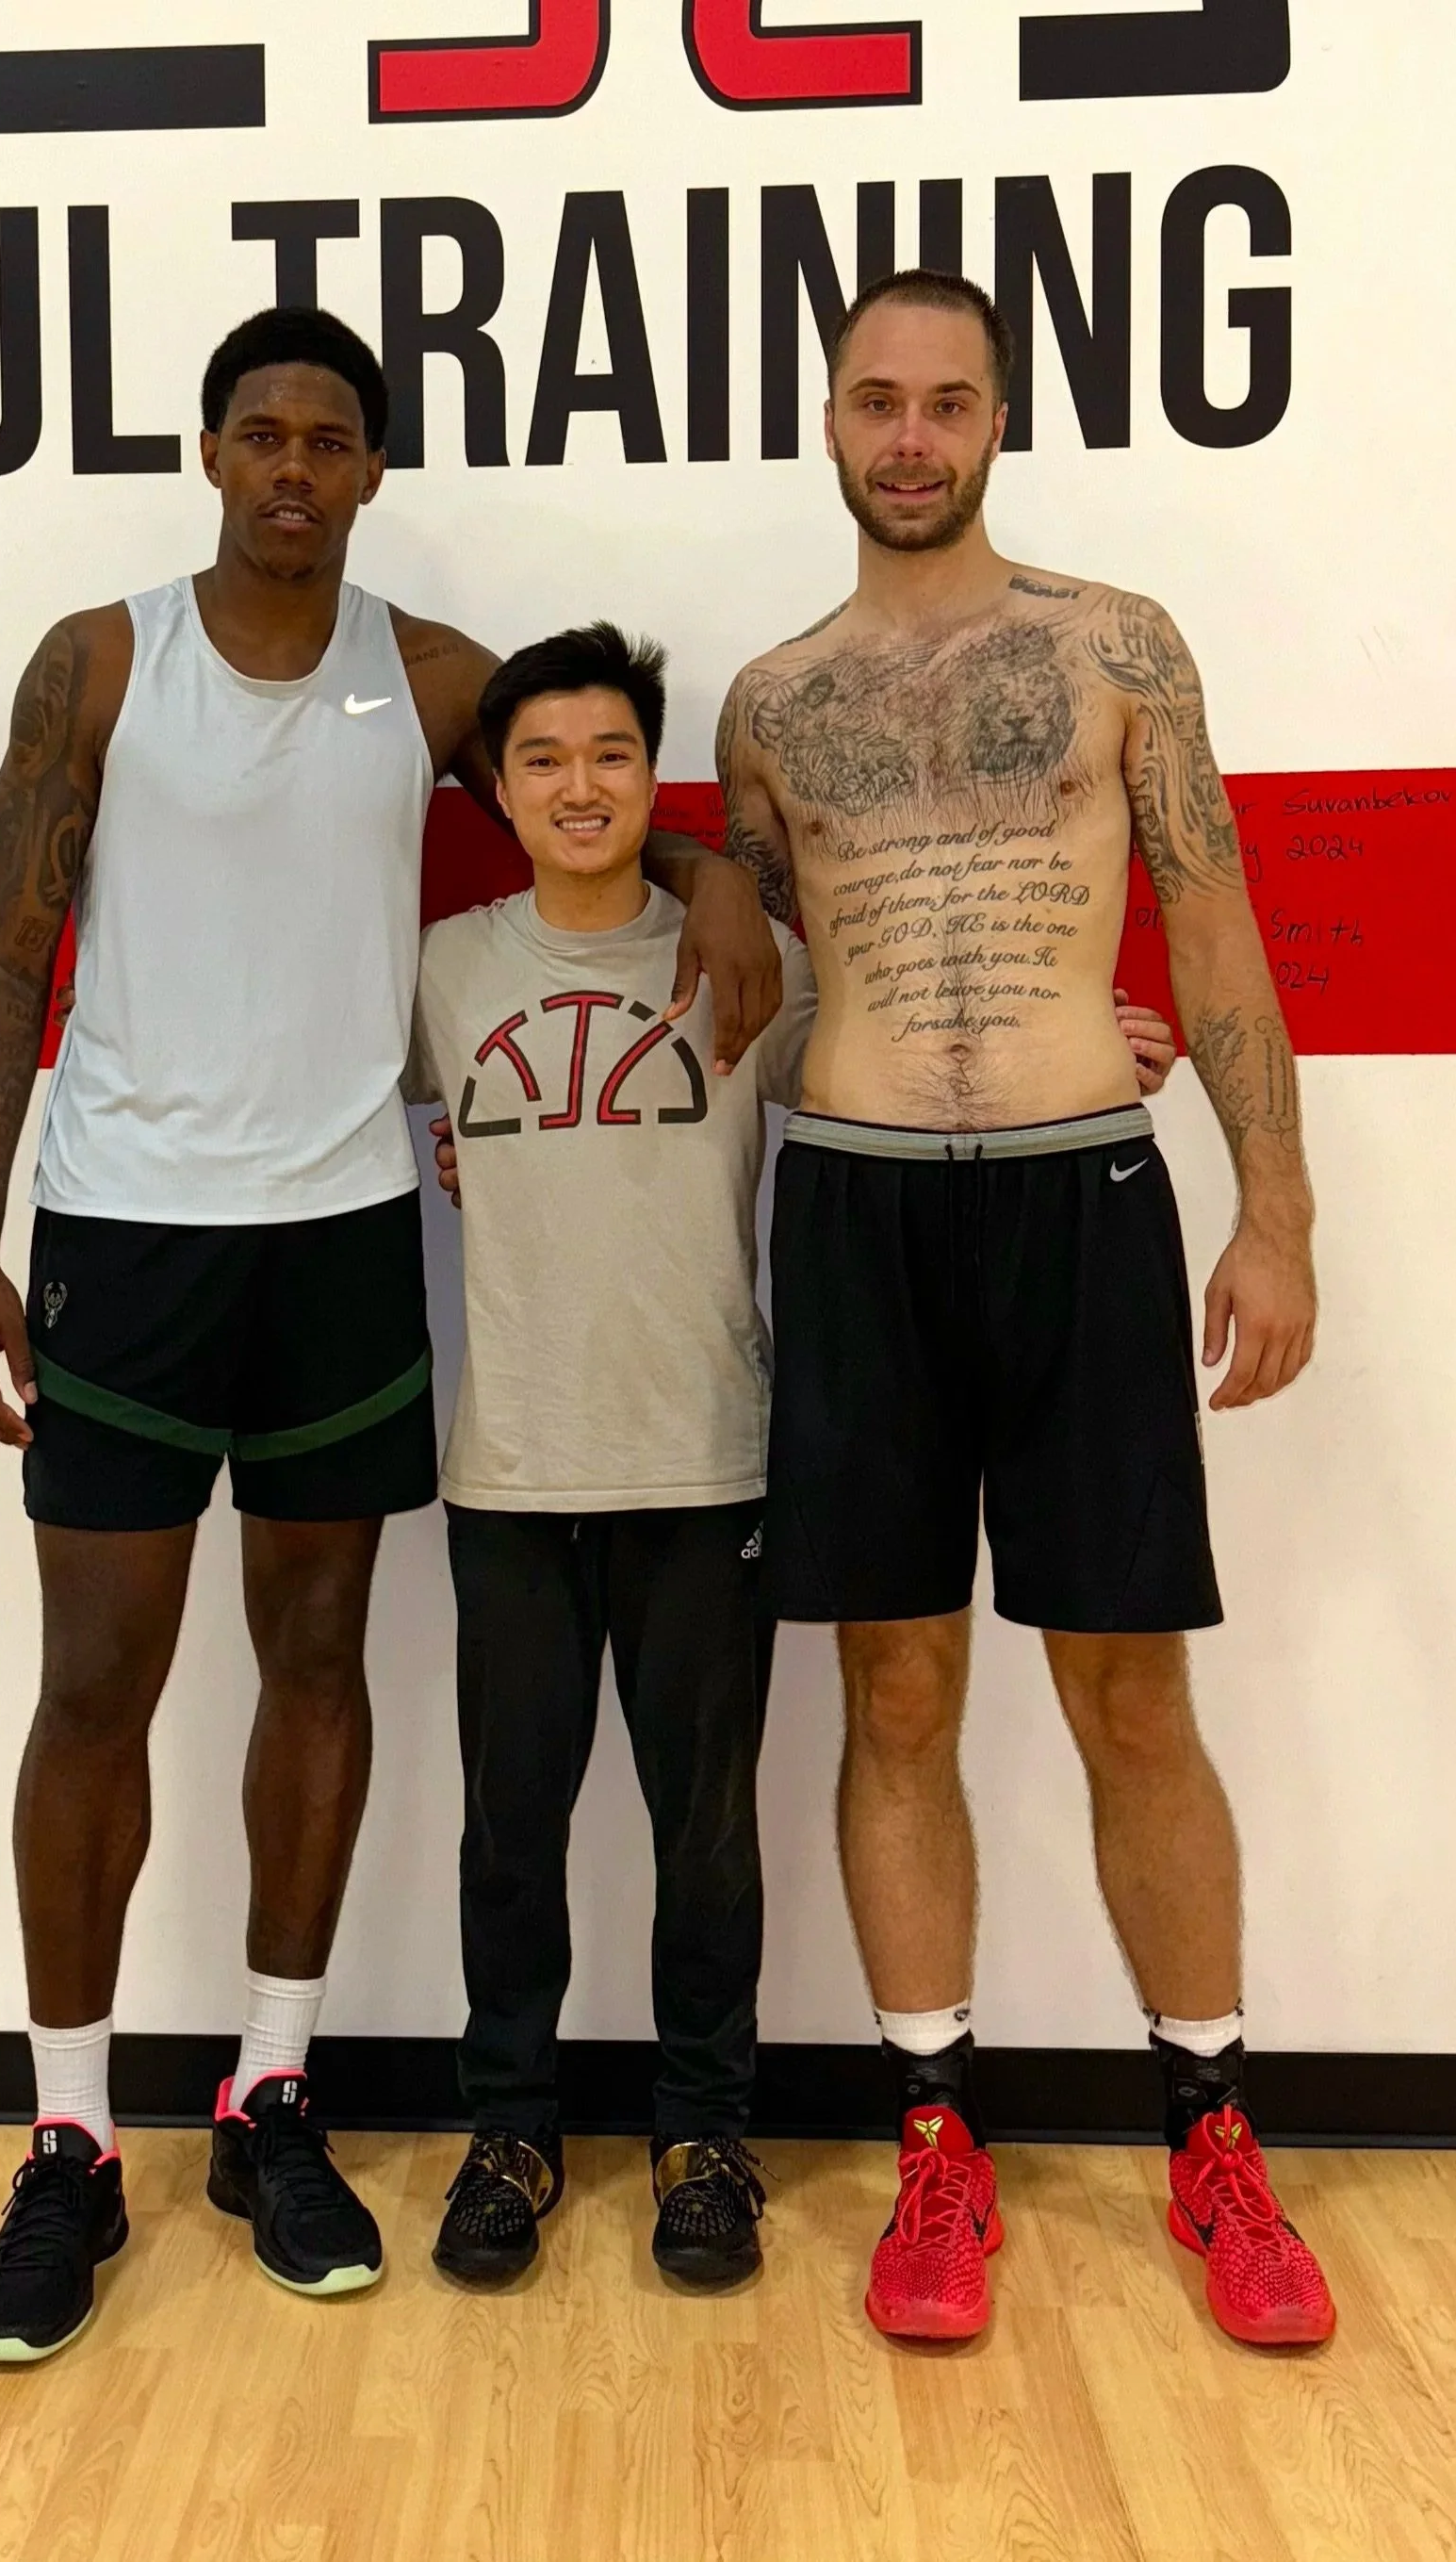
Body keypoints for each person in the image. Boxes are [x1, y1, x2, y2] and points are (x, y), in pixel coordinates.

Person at [0, 306, 779, 2364]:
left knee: (315, 1663)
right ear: (208, 454)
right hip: (125, 1237)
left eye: (332, 438)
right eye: (262, 435)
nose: (295, 467)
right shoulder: (102, 658)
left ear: (375, 471)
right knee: (97, 1688)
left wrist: (719, 877)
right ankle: (67, 2143)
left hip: (337, 1241)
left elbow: (567, 777)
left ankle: (274, 2089)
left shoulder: (415, 676)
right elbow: (3, 949)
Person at [715, 269, 1335, 2350]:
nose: (909, 434)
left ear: (999, 421)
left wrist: (1279, 1214)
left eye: (946, 401)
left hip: (1083, 1207)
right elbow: (780, 962)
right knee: (896, 1695)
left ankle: (1213, 2139)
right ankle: (933, 2142)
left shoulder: (1113, 645)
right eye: (875, 400)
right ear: (825, 421)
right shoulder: (766, 702)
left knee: (1126, 1695)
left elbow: (1215, 912)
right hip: (861, 1217)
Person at [413, 626, 1182, 2295]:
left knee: (707, 1841)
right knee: (506, 1832)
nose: (578, 784)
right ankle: (511, 2125)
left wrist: (1088, 1033)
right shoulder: (440, 972)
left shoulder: (757, 965)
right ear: (496, 789)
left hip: (707, 1464)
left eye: (612, 753)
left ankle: (705, 2132)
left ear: (654, 774)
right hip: (511, 1476)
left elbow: (923, 1045)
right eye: (540, 759)